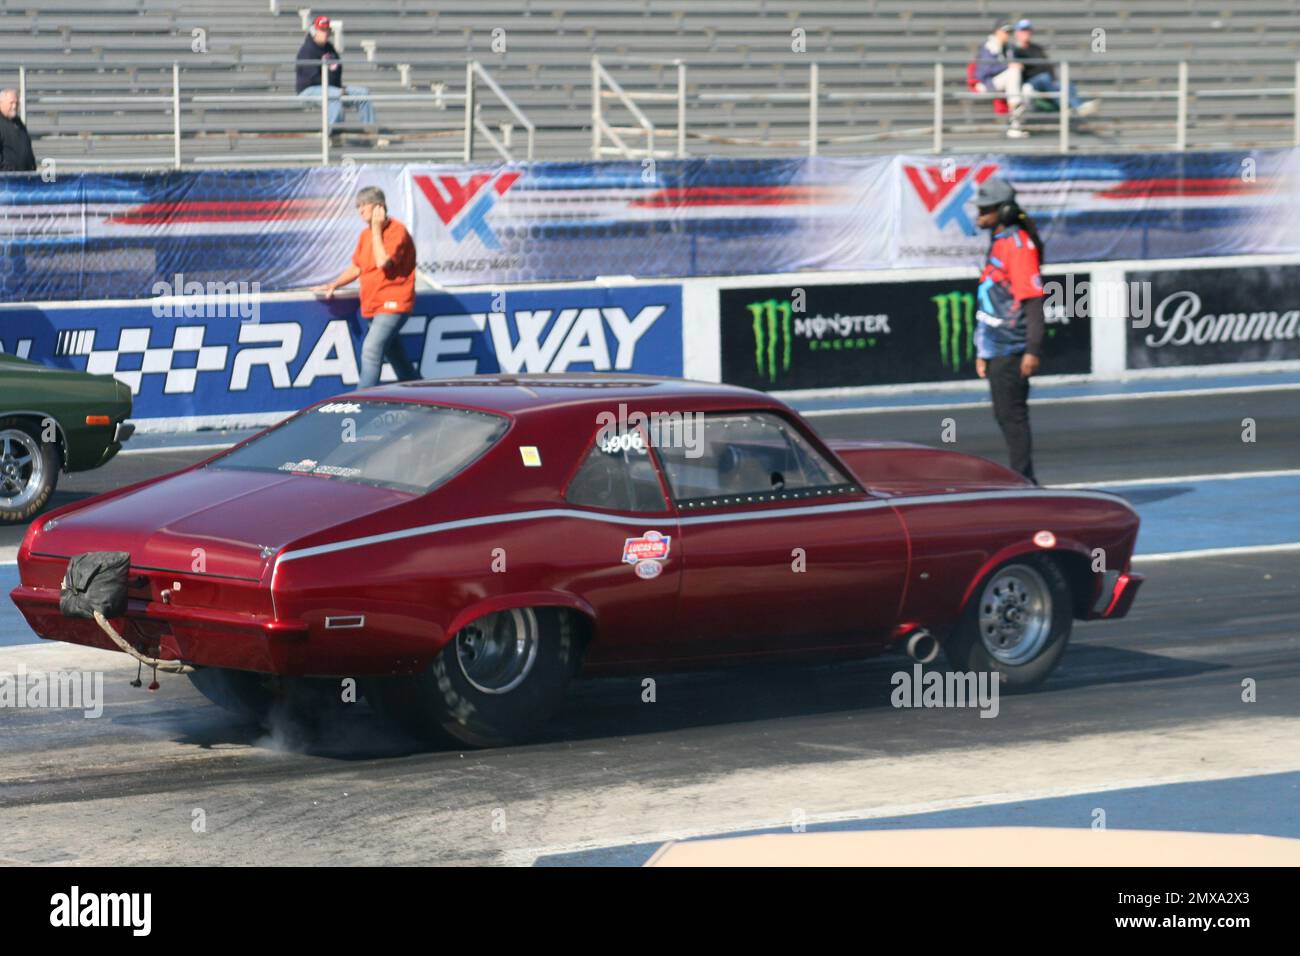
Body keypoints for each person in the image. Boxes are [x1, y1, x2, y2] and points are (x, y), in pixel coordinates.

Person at [971, 177, 1046, 483]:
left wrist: (1032, 350)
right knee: (1005, 417)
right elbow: (990, 302)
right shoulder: (1000, 243)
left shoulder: (1018, 247)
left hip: (1012, 349)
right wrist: (982, 350)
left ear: (1003, 212)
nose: (980, 215)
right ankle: (1025, 481)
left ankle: (1026, 483)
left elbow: (1033, 302)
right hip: (996, 347)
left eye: (986, 209)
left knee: (1012, 418)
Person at [314, 187, 419, 389]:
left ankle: (360, 403)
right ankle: (422, 397)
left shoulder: (397, 231)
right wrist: (335, 283)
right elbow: (357, 267)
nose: (360, 210)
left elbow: (382, 262)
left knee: (371, 350)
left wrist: (377, 229)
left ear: (379, 207)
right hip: (373, 305)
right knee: (398, 358)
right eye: (358, 206)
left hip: (393, 305)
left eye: (364, 205)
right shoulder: (365, 235)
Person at [295, 15, 375, 127]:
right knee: (335, 96)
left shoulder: (330, 48)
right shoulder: (307, 50)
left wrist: (338, 87)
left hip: (331, 88)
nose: (326, 33)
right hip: (308, 91)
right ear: (314, 31)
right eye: (322, 30)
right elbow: (312, 79)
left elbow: (337, 70)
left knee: (363, 94)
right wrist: (335, 90)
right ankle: (333, 134)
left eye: (327, 30)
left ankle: (370, 129)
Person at [1009, 19, 1099, 117]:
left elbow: (1047, 65)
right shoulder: (1014, 50)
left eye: (1028, 30)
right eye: (1023, 30)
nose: (1026, 33)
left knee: (1065, 83)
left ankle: (1079, 106)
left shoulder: (1036, 48)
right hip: (1030, 84)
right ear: (1017, 33)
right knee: (1044, 78)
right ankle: (1065, 106)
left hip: (1046, 81)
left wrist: (1053, 79)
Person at [972, 21, 1028, 139]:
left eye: (1009, 32)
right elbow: (985, 71)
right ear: (997, 31)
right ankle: (1014, 125)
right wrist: (1009, 66)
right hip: (985, 83)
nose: (1007, 34)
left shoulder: (1008, 48)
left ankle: (1015, 125)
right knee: (1013, 74)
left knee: (1026, 89)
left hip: (1004, 82)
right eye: (1005, 31)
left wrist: (1014, 65)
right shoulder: (988, 47)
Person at [0, 89, 36, 172]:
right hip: (7, 181)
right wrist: (6, 171)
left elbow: (27, 145)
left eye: (16, 103)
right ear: (1, 103)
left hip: (25, 177)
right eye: (11, 103)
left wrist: (32, 166)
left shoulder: (18, 122)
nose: (14, 106)